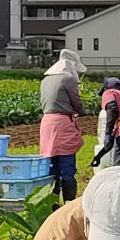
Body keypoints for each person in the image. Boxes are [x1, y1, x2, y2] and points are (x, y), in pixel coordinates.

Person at [39, 50, 87, 201]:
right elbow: (76, 101)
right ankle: (68, 203)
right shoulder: (67, 79)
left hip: (47, 123)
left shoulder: (45, 79)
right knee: (67, 166)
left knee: (51, 166)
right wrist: (82, 112)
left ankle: (52, 204)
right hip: (62, 124)